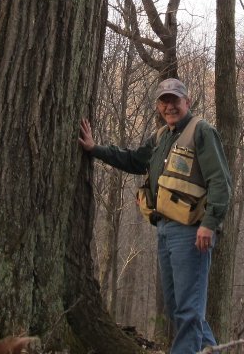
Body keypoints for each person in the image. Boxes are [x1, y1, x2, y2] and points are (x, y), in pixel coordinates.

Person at [78, 78, 231, 354]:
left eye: (175, 100)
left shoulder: (201, 131)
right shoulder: (162, 136)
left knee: (187, 308)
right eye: (164, 101)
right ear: (158, 105)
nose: (169, 106)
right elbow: (135, 160)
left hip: (191, 231)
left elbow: (220, 182)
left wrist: (209, 224)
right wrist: (95, 149)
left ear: (188, 101)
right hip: (164, 230)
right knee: (177, 307)